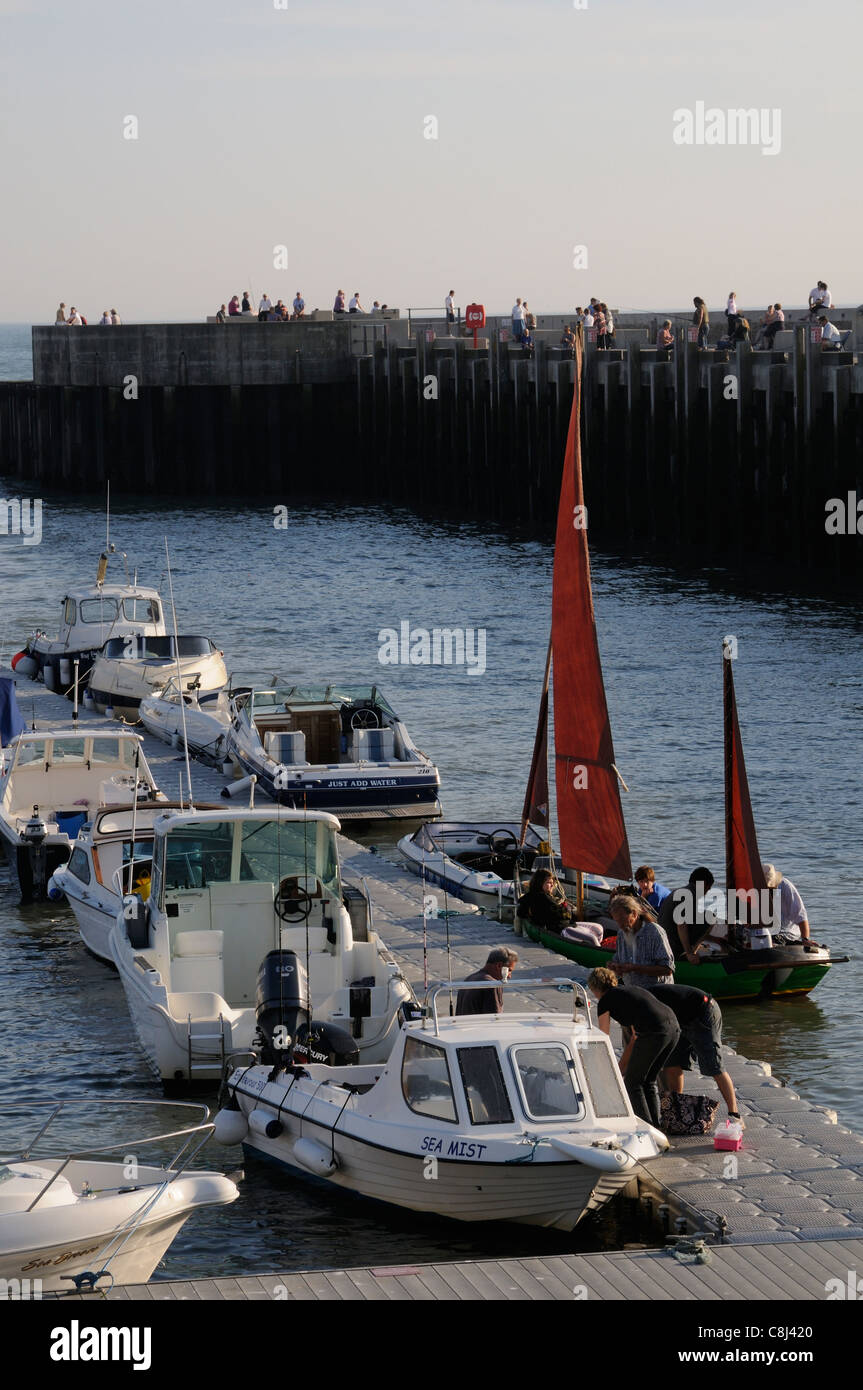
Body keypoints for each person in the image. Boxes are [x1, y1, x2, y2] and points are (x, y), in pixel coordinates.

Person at [587, 967, 679, 1127]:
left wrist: (600, 1066)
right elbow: (635, 1037)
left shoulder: (605, 1001)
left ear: (595, 987)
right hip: (673, 1028)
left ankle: (645, 1128)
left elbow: (603, 1038)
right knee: (648, 1080)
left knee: (632, 1083)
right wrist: (620, 1066)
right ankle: (654, 1127)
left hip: (655, 1031)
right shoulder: (628, 991)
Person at [652, 982, 743, 1126]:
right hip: (680, 1019)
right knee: (671, 1063)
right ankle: (677, 1112)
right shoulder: (641, 999)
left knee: (714, 1066)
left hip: (704, 1011)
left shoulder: (644, 1002)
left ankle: (735, 1115)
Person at [610, 893, 674, 989]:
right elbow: (618, 959)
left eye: (622, 920)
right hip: (634, 992)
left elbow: (667, 969)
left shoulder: (654, 932)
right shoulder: (621, 933)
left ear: (634, 914)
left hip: (658, 992)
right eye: (617, 921)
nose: (620, 925)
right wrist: (614, 967)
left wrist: (635, 968)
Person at [658, 867, 717, 963]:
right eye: (708, 888)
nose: (707, 892)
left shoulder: (681, 891)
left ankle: (689, 950)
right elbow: (682, 926)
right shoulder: (689, 895)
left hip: (662, 941)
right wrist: (689, 953)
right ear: (704, 885)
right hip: (671, 946)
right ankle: (689, 953)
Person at [455, 947, 519, 1016]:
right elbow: (495, 1018)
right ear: (499, 965)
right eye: (509, 970)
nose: (509, 976)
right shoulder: (492, 985)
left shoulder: (468, 979)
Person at [762, 863, 811, 942]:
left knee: (775, 938)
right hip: (765, 930)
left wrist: (805, 939)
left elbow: (801, 916)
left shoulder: (785, 886)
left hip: (787, 932)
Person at [516, 869, 573, 933]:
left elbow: (520, 912)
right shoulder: (543, 897)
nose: (552, 885)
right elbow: (559, 915)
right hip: (557, 930)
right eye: (549, 883)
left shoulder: (528, 896)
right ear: (540, 883)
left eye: (552, 883)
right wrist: (568, 909)